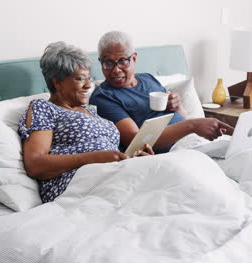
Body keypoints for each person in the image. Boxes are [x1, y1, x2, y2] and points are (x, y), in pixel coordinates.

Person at [18, 41, 153, 203]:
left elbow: (109, 154)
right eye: (80, 79)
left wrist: (135, 158)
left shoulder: (91, 111)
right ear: (57, 82)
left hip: (116, 176)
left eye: (89, 78)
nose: (89, 85)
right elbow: (35, 164)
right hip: (80, 187)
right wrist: (93, 158)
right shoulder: (44, 108)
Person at [89, 31, 234, 153]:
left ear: (133, 58)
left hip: (192, 141)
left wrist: (178, 107)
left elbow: (181, 117)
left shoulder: (148, 79)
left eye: (122, 61)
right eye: (108, 63)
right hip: (172, 152)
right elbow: (137, 142)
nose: (116, 70)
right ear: (100, 61)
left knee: (249, 154)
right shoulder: (103, 98)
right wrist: (193, 126)